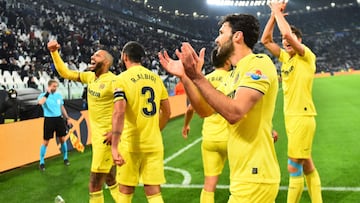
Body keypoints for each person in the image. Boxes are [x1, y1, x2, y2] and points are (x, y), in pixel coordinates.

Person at [159, 14, 280, 202]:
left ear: (237, 36)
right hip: (244, 175)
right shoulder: (233, 76)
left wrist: (198, 77)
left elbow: (235, 112)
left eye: (222, 32)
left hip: (256, 175)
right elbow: (204, 110)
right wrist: (186, 77)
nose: (217, 39)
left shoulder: (259, 63)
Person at [261, 1, 323, 203]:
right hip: (292, 118)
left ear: (300, 40)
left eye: (291, 40)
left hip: (302, 117)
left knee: (293, 165)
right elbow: (265, 40)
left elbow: (287, 34)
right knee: (306, 165)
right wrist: (272, 15)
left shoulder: (306, 56)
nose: (285, 42)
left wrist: (277, 11)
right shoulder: (285, 58)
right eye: (284, 41)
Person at [47, 40, 120, 203]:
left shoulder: (114, 81)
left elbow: (127, 108)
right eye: (93, 54)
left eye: (98, 55)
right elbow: (65, 73)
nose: (92, 56)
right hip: (99, 138)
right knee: (110, 179)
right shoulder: (90, 77)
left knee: (94, 185)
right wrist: (54, 53)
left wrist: (116, 132)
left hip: (106, 140)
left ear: (106, 62)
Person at [111, 41, 171, 203]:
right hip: (153, 143)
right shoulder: (156, 78)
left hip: (131, 144)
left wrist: (115, 146)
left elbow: (119, 112)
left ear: (124, 57)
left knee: (125, 189)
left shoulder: (121, 79)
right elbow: (167, 112)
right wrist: (155, 130)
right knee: (153, 191)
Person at [182, 48, 231, 203]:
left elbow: (191, 108)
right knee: (239, 181)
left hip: (210, 138)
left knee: (209, 184)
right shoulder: (234, 78)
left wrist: (186, 125)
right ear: (228, 60)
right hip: (231, 138)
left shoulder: (204, 79)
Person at [37, 79, 71, 171]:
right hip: (49, 120)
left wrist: (67, 118)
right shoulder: (43, 95)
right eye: (53, 86)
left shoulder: (58, 95)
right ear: (49, 86)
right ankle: (41, 162)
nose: (55, 88)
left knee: (62, 139)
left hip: (59, 119)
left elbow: (62, 107)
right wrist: (47, 93)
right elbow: (40, 103)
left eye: (56, 86)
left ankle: (65, 158)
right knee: (46, 141)